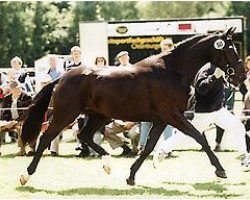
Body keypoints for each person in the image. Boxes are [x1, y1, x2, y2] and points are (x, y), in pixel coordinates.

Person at [153, 63, 250, 172]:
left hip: (218, 111)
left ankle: (244, 158)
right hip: (205, 113)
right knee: (187, 137)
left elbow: (229, 84)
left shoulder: (220, 67)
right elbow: (201, 88)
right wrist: (214, 77)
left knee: (238, 127)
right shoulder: (205, 69)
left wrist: (228, 78)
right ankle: (163, 149)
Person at [138, 38, 175, 154]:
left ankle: (167, 148)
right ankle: (142, 146)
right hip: (153, 97)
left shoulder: (175, 63)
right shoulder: (157, 61)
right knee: (145, 121)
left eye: (165, 49)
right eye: (162, 49)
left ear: (171, 49)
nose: (163, 51)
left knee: (168, 122)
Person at [0, 80, 33, 156]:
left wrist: (16, 121)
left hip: (23, 120)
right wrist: (7, 122)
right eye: (15, 89)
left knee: (22, 127)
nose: (18, 90)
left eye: (19, 88)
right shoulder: (7, 98)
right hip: (10, 121)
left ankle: (22, 150)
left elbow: (27, 113)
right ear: (11, 91)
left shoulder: (27, 97)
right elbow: (4, 112)